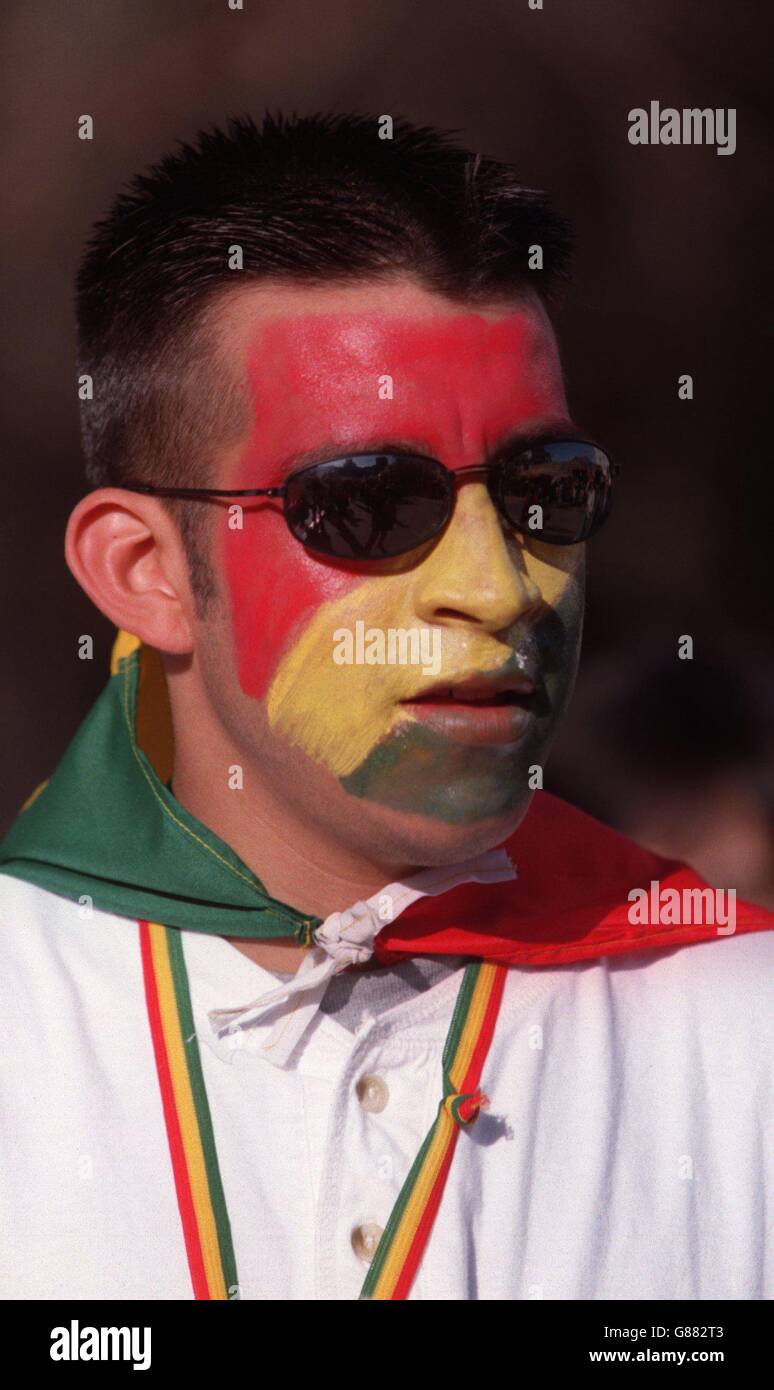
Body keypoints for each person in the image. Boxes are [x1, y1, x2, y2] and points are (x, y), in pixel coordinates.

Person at [0, 113, 770, 1301]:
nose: (499, 584)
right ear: (146, 573)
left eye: (546, 491)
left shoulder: (743, 1024)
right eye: (366, 502)